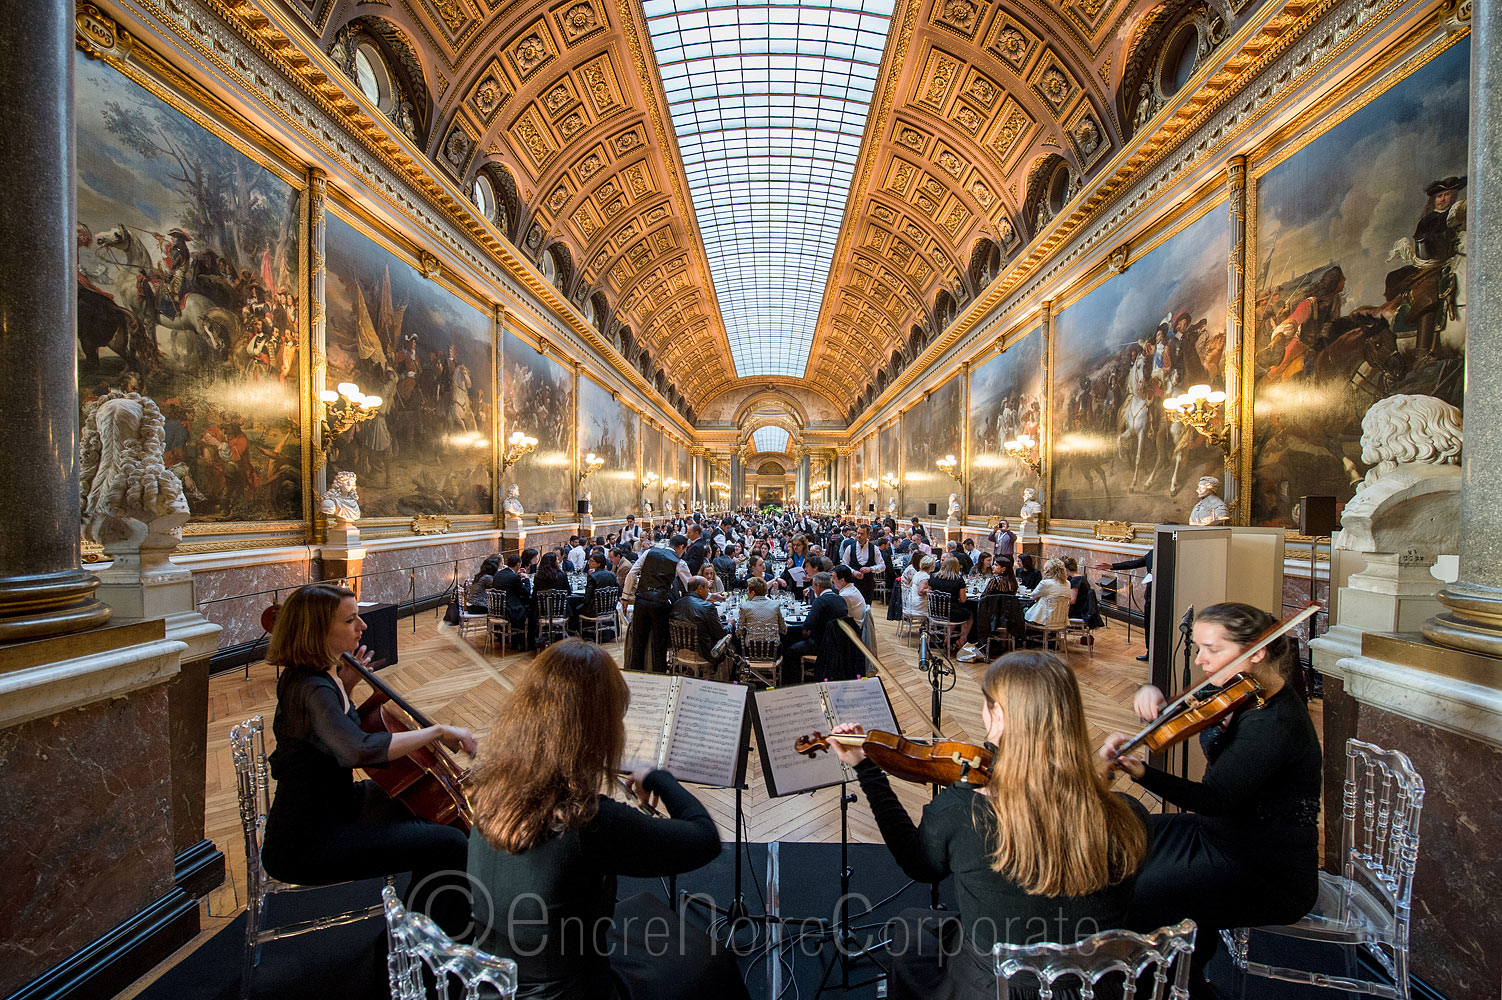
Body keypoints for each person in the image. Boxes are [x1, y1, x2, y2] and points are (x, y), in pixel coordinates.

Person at [828, 652, 1152, 998]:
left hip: (997, 987)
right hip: (1098, 987)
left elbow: (916, 863)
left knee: (912, 928)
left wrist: (867, 770)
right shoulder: (1130, 817)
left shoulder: (962, 812)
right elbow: (1064, 817)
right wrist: (1095, 778)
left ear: (997, 716)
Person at [466, 640, 747, 1000]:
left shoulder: (487, 787)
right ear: (597, 729)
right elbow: (704, 839)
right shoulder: (588, 821)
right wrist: (660, 777)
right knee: (712, 964)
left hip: (493, 984)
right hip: (574, 993)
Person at [1101, 603, 1321, 996]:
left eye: (1211, 649)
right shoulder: (1241, 692)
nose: (1200, 660)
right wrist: (1151, 692)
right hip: (1219, 836)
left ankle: (1168, 984)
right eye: (1199, 648)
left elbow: (1214, 798)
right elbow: (1180, 709)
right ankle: (1183, 965)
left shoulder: (1275, 723)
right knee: (1123, 836)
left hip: (1260, 866)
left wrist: (1142, 772)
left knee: (1137, 895)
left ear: (1256, 652)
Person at [260, 584, 477, 933]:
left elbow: (329, 735)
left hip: (336, 805)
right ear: (317, 630)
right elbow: (356, 749)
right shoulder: (310, 687)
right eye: (351, 620)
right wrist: (437, 731)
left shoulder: (319, 675)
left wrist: (346, 687)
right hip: (309, 839)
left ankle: (422, 918)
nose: (361, 627)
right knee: (449, 843)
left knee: (424, 810)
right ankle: (427, 937)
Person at [622, 533, 691, 673]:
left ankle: (636, 674)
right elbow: (690, 584)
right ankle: (659, 675)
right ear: (681, 547)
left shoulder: (649, 552)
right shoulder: (679, 562)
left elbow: (632, 574)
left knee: (638, 642)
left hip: (641, 600)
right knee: (659, 644)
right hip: (660, 603)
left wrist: (624, 597)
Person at [782, 571, 847, 670]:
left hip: (821, 644)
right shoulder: (840, 599)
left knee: (790, 650)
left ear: (818, 586)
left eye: (813, 587)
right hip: (839, 642)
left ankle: (794, 679)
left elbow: (808, 624)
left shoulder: (820, 601)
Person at [670, 576, 731, 679]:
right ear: (700, 588)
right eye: (707, 588)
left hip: (679, 651)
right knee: (730, 645)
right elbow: (720, 634)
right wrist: (730, 625)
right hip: (704, 653)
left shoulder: (676, 604)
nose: (708, 591)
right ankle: (725, 683)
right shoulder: (707, 607)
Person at [927, 554, 972, 653]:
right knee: (969, 614)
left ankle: (947, 639)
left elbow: (930, 594)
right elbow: (963, 599)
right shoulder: (958, 580)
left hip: (935, 612)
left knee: (952, 612)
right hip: (951, 613)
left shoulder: (933, 577)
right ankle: (962, 639)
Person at [568, 551, 618, 634]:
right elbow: (618, 590)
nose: (589, 563)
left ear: (598, 564)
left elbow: (587, 598)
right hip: (610, 608)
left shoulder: (592, 577)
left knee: (574, 608)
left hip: (594, 610)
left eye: (592, 561)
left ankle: (577, 633)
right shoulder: (612, 575)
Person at [1024, 557, 1071, 627]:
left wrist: (1044, 578)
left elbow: (1033, 596)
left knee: (1023, 611)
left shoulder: (1046, 583)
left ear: (1048, 571)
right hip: (1061, 621)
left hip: (1043, 621)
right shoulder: (1067, 583)